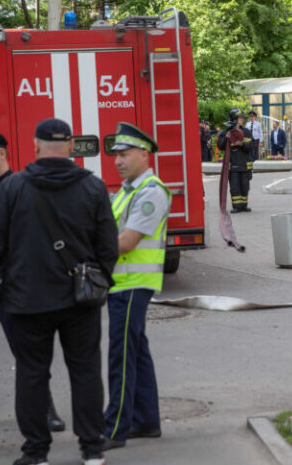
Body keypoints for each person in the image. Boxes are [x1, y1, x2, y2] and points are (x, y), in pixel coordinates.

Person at [0, 118, 118, 465]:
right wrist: (98, 280)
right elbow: (108, 247)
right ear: (72, 147)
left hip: (28, 300)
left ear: (35, 146)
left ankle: (36, 454)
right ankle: (92, 451)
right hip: (80, 299)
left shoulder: (15, 188)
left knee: (32, 374)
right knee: (86, 372)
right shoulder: (93, 186)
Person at [0, 132, 66, 433]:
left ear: (2, 154)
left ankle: (45, 409)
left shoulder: (19, 186)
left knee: (26, 350)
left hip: (11, 283)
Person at [102, 123, 171, 452]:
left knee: (122, 357)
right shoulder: (128, 189)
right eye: (115, 154)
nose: (117, 160)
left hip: (133, 285)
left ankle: (115, 427)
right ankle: (147, 421)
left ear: (145, 154)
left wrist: (86, 252)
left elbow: (126, 242)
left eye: (124, 154)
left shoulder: (150, 191)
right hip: (123, 283)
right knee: (136, 353)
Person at [217, 108, 254, 213]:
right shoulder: (227, 132)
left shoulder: (246, 132)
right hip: (232, 166)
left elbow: (251, 145)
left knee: (245, 186)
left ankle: (244, 205)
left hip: (245, 165)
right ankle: (237, 206)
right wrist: (226, 138)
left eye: (242, 118)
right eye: (240, 118)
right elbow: (220, 146)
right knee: (235, 187)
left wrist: (242, 144)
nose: (242, 120)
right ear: (234, 119)